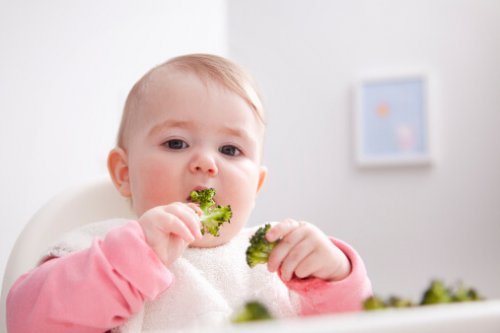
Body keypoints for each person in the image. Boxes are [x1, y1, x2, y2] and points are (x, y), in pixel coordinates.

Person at [7, 54, 372, 332]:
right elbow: (26, 320)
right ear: (124, 174)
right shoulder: (102, 249)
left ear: (256, 186)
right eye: (176, 142)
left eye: (230, 150)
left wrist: (333, 277)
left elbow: (359, 325)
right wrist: (129, 259)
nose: (206, 163)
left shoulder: (277, 262)